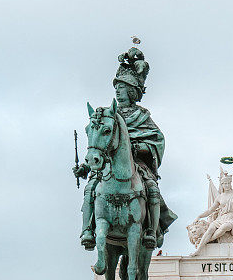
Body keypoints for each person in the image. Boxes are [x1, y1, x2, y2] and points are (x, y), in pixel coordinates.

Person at [75, 47, 176, 249]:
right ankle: (87, 229)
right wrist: (86, 168)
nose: (118, 91)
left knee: (152, 189)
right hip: (108, 167)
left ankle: (150, 231)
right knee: (90, 189)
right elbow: (98, 144)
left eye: (123, 88)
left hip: (136, 166)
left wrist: (139, 147)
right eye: (117, 88)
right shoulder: (107, 116)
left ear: (132, 91)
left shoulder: (142, 117)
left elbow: (158, 140)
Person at [191, 172, 233, 253]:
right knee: (210, 229)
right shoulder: (220, 197)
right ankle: (198, 250)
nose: (226, 185)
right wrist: (199, 216)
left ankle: (207, 241)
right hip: (222, 218)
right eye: (224, 183)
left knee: (224, 227)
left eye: (228, 183)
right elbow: (210, 210)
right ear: (222, 185)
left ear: (230, 183)